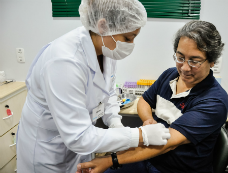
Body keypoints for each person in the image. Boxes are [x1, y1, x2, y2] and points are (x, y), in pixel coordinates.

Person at [16, 0, 171, 173]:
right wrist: (141, 136)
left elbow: (108, 92)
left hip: (79, 145)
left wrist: (115, 124)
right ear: (102, 25)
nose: (130, 45)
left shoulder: (106, 48)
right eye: (128, 38)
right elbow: (79, 137)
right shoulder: (64, 61)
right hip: (48, 150)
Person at [76, 20, 228, 173]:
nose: (185, 67)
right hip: (148, 158)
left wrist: (111, 159)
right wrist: (148, 120)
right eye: (180, 57)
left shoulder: (214, 101)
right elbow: (144, 101)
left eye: (194, 61)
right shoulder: (170, 75)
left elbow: (169, 143)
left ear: (212, 61)